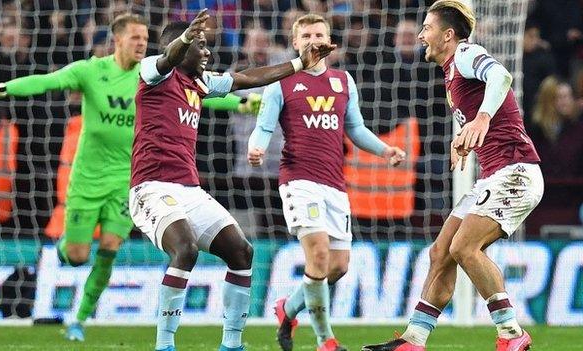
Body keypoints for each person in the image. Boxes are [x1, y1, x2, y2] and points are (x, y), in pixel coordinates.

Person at [0, 13, 261, 343]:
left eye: (144, 38)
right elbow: (46, 81)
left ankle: (80, 320)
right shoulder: (91, 70)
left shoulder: (153, 75)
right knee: (78, 256)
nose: (141, 44)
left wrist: (242, 105)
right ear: (118, 40)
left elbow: (200, 96)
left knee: (110, 247)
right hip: (88, 178)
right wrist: (0, 88)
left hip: (129, 180)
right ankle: (64, 252)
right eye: (135, 37)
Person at [128, 8, 335, 351]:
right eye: (201, 45)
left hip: (189, 191)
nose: (208, 52)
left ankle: (232, 345)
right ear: (182, 47)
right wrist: (183, 39)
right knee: (185, 249)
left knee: (242, 252)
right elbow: (167, 58)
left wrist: (301, 63)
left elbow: (248, 78)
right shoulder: (153, 73)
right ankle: (164, 344)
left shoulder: (200, 82)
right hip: (150, 189)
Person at [361, 1, 543, 351]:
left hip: (516, 171)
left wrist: (483, 119)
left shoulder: (465, 53)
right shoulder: (451, 72)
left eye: (427, 28)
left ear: (448, 34)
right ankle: (414, 339)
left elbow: (501, 76)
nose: (421, 36)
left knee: (464, 247)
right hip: (492, 175)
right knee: (440, 252)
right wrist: (461, 139)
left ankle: (511, 332)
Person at [247, 14, 406, 351]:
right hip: (298, 179)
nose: (312, 39)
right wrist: (256, 147)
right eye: (305, 35)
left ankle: (287, 308)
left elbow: (356, 129)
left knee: (338, 267)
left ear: (330, 41)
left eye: (318, 33)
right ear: (295, 43)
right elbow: (264, 125)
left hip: (335, 183)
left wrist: (384, 149)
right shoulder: (281, 82)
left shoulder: (343, 81)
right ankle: (326, 341)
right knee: (317, 256)